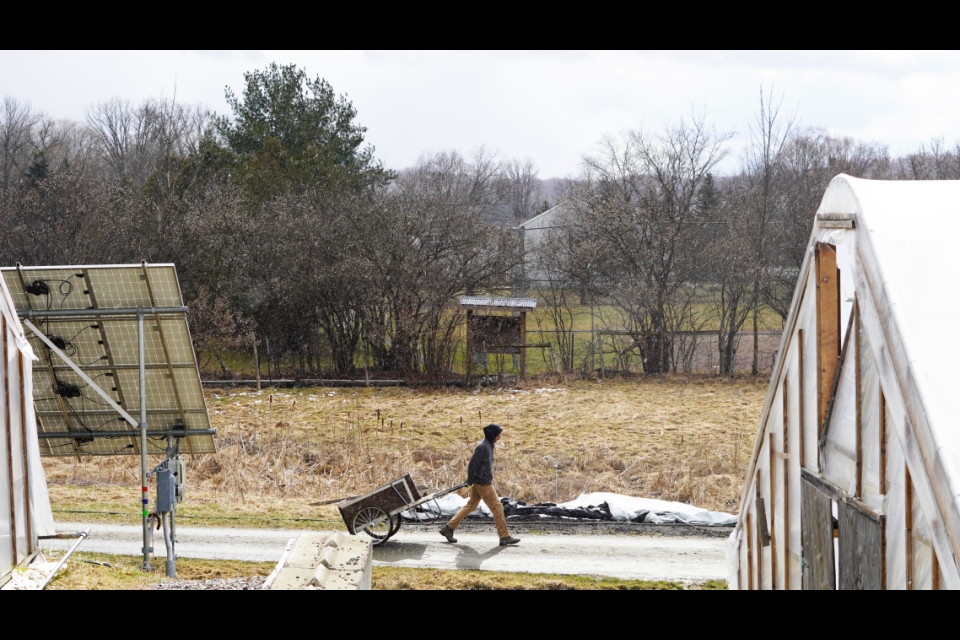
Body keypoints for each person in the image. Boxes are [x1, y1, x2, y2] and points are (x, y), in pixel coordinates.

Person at [440, 423, 520, 546]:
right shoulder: (482, 447)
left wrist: (472, 480)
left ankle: (448, 528)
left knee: (471, 505)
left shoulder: (488, 445)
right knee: (497, 508)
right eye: (498, 435)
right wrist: (470, 480)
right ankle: (504, 536)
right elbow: (473, 464)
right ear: (492, 435)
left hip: (481, 481)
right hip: (483, 482)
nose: (499, 438)